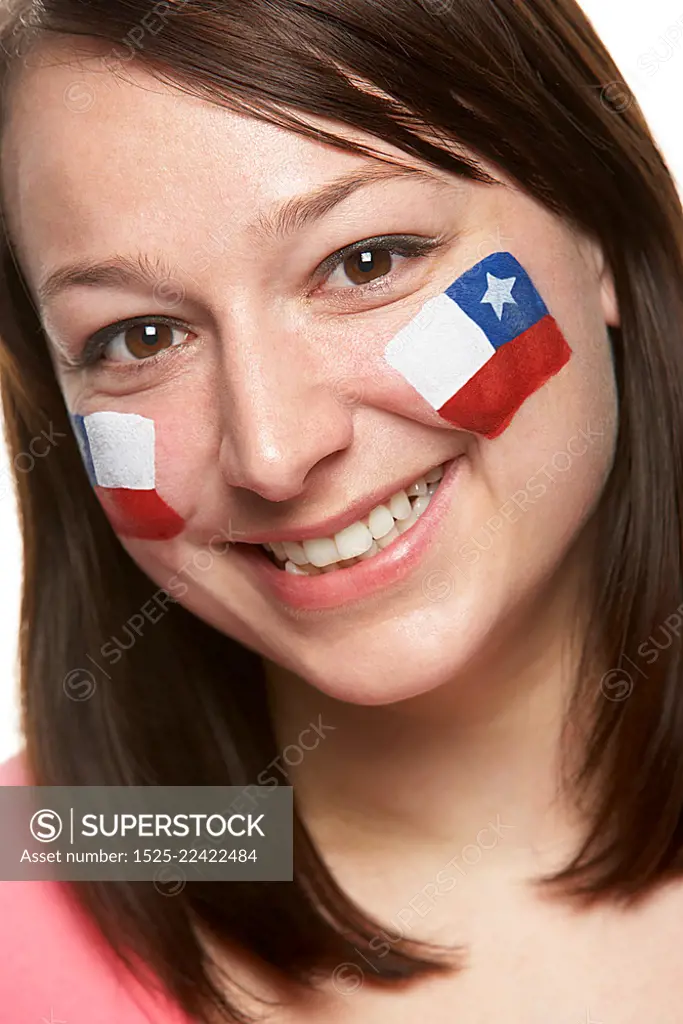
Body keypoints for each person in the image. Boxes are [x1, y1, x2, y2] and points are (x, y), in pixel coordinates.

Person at [1, 0, 683, 1021]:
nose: (273, 452)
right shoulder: (33, 871)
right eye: (140, 337)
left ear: (592, 229)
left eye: (366, 261)